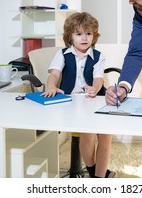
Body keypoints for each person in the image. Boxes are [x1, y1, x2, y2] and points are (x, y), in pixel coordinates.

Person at [43, 12, 116, 178]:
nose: (84, 38)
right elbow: (53, 74)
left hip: (96, 99)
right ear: (70, 36)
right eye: (79, 34)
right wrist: (51, 86)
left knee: (105, 137)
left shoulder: (98, 56)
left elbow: (98, 79)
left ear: (94, 36)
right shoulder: (62, 54)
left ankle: (99, 178)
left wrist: (94, 89)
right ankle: (93, 171)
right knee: (87, 135)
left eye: (88, 33)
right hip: (74, 103)